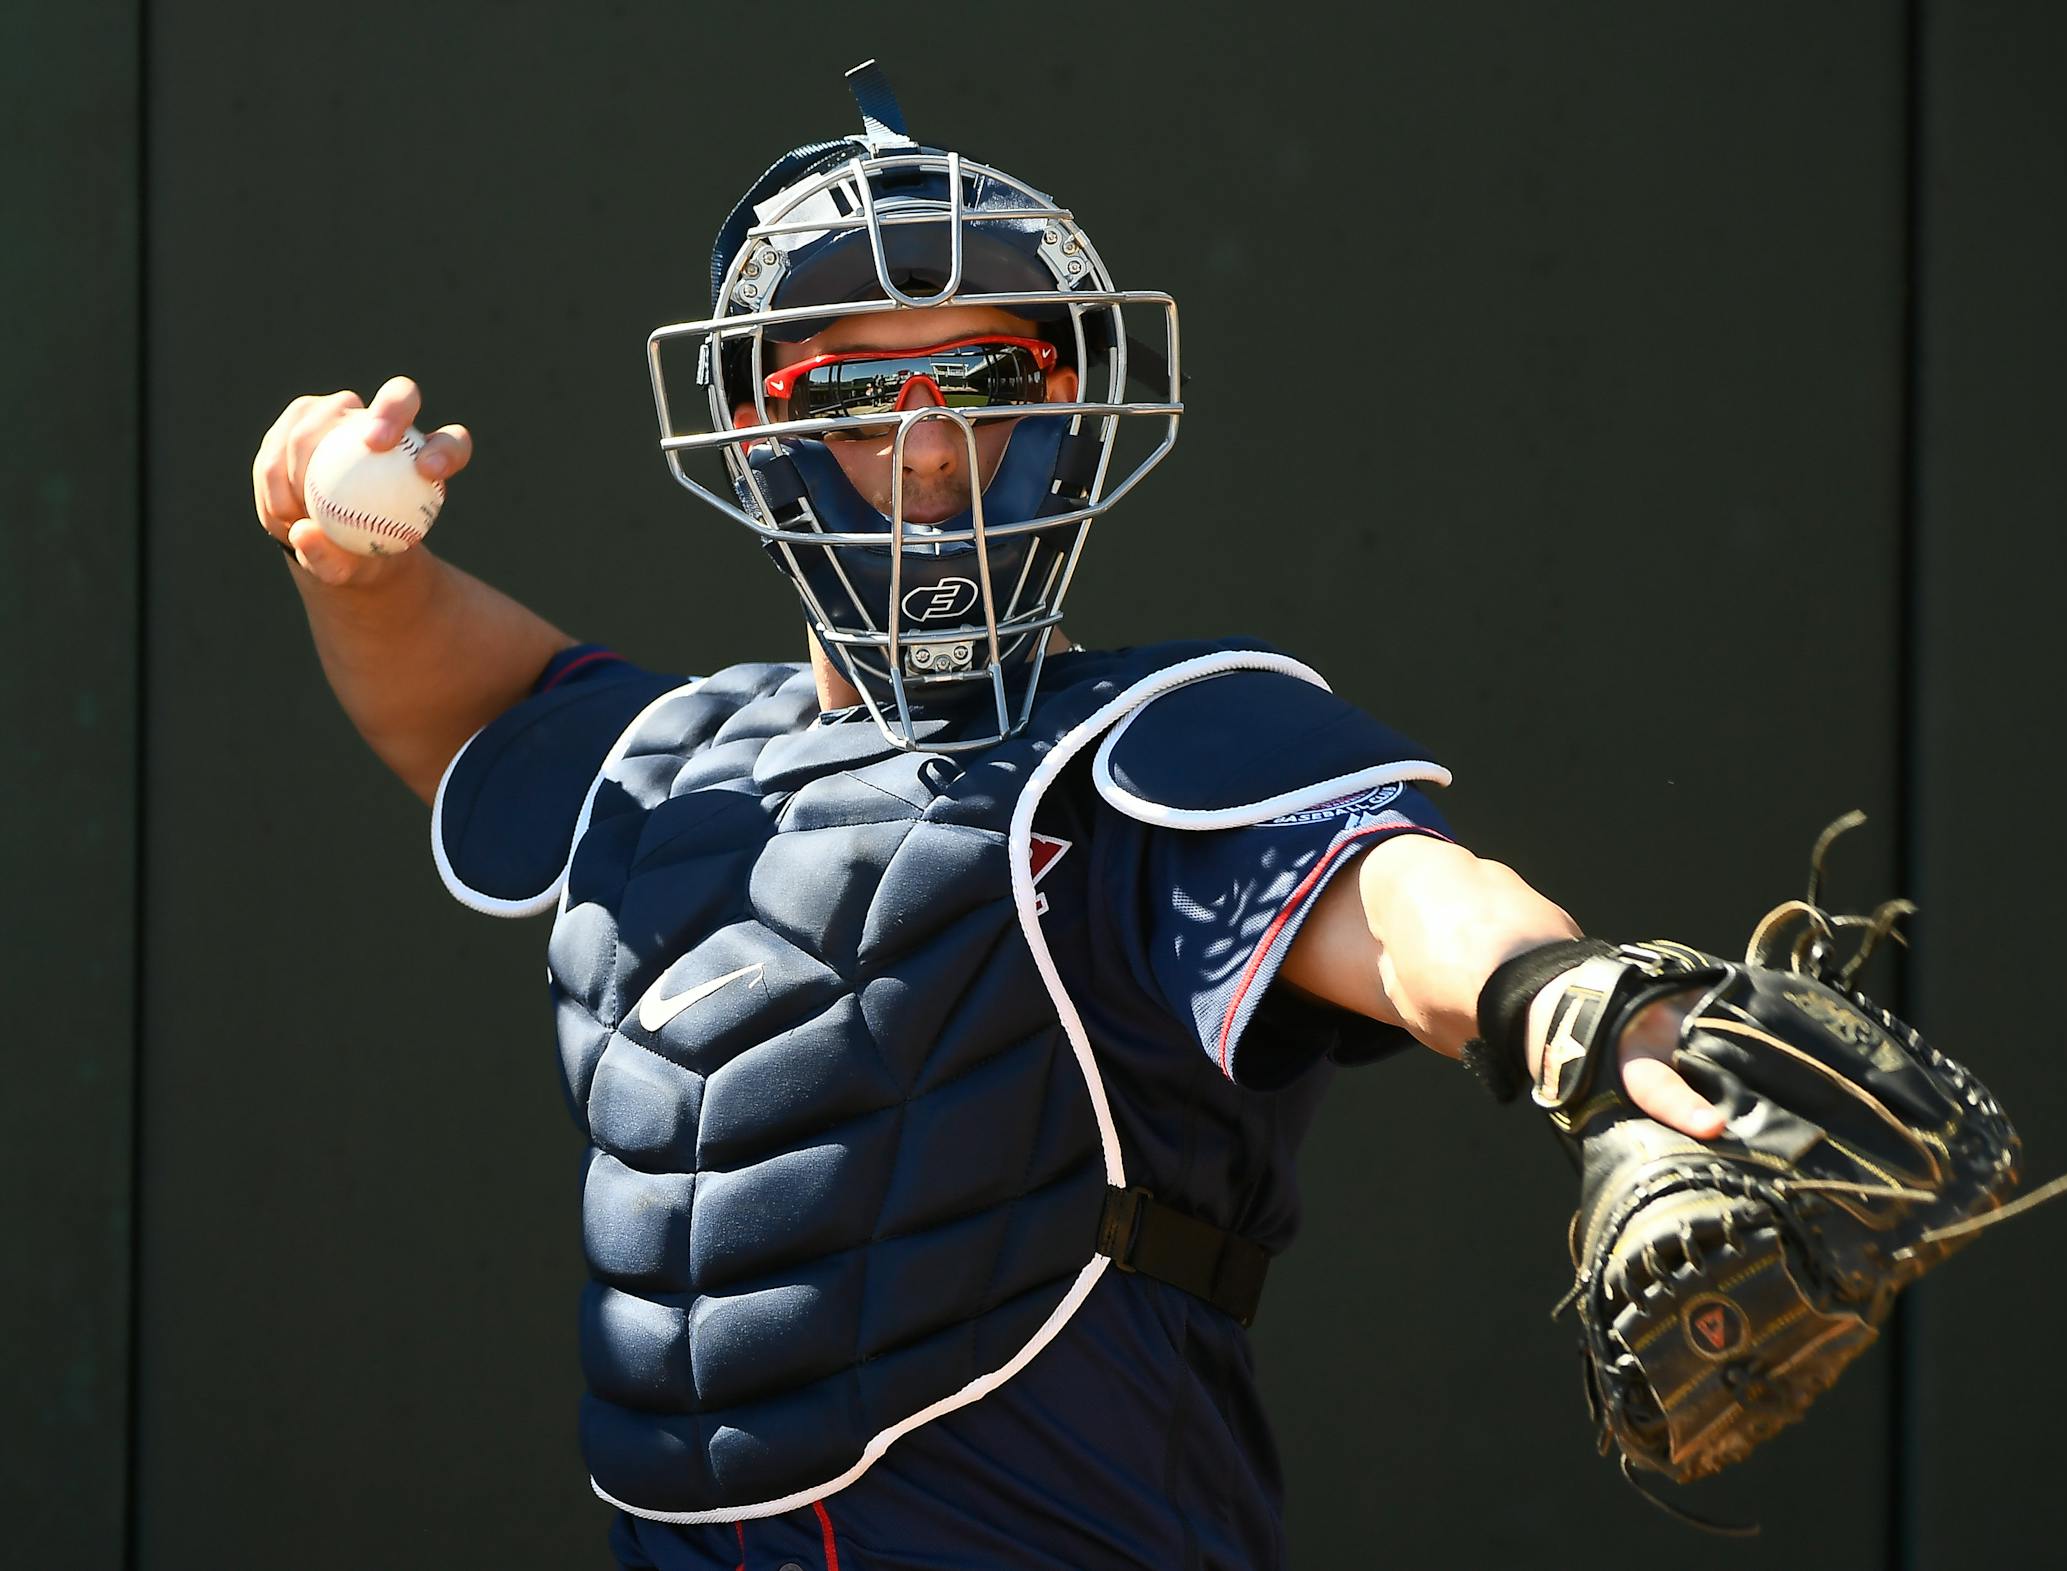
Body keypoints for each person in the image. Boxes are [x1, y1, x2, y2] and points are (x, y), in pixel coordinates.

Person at [252, 63, 1725, 1571]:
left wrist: (1579, 1012)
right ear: (758, 434)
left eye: (984, 381)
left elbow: (1404, 900)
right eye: (848, 398)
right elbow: (465, 710)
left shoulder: (1143, 747)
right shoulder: (673, 761)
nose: (931, 451)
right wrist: (353, 568)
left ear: (1064, 411)